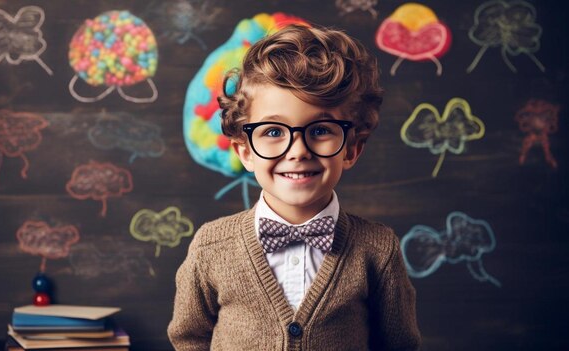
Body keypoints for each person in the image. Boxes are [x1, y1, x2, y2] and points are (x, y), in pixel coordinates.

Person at [168, 24, 421, 350]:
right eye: (273, 132)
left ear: (352, 149)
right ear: (245, 152)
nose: (298, 150)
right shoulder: (211, 246)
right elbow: (188, 338)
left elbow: (398, 345)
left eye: (320, 130)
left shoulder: (378, 249)